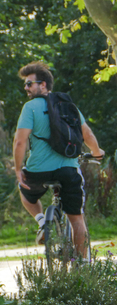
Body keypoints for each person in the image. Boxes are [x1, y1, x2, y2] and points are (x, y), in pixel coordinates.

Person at [13, 61, 104, 260]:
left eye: (29, 84)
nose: (26, 89)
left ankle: (42, 221)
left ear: (43, 84)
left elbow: (20, 142)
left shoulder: (30, 108)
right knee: (76, 219)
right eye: (25, 85)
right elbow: (86, 134)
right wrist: (97, 152)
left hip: (38, 170)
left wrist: (18, 169)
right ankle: (83, 265)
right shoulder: (68, 106)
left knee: (27, 195)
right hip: (68, 170)